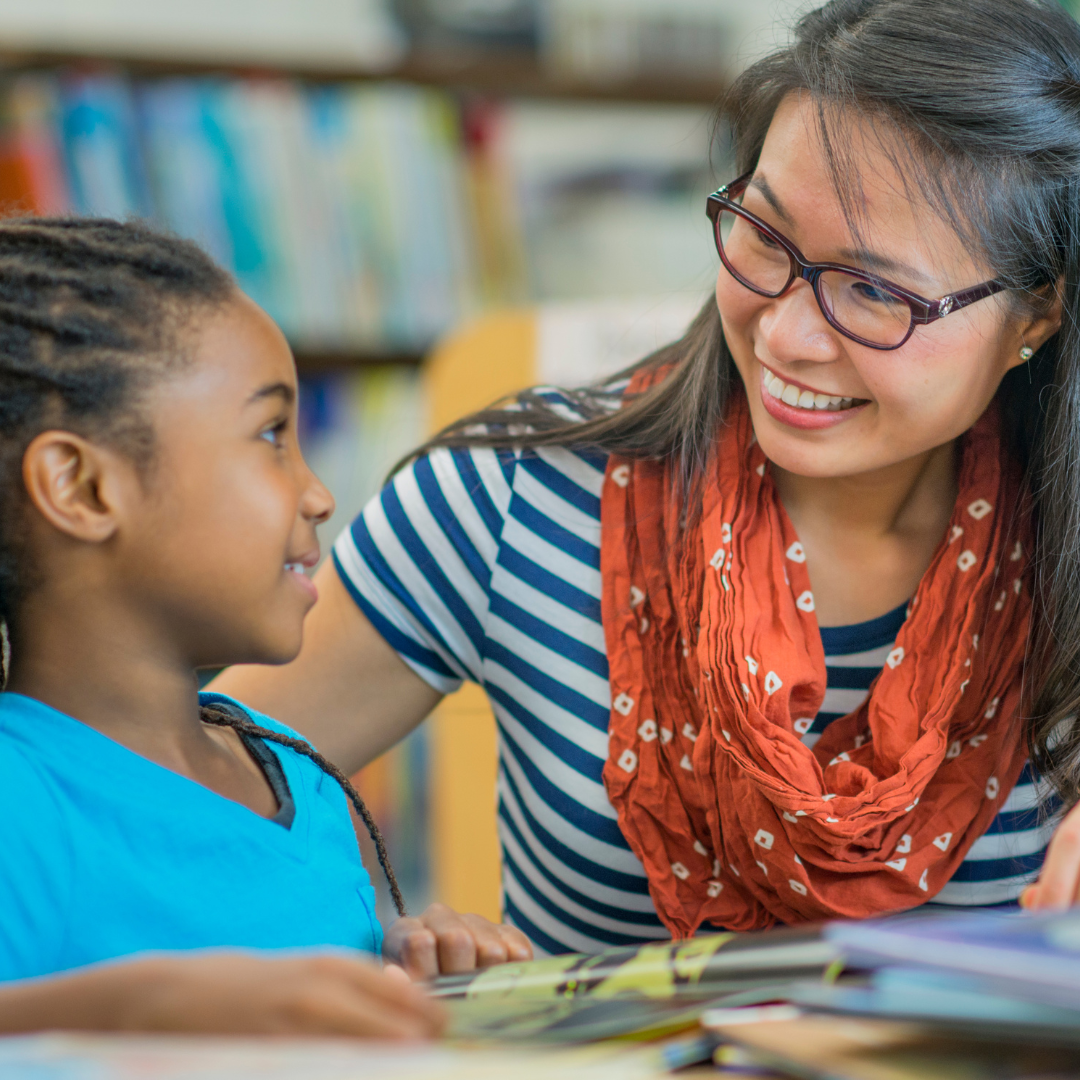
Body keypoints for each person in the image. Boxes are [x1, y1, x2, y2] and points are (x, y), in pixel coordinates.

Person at [215, 0, 1080, 953]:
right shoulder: (510, 502)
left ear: (1037, 315)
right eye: (764, 235)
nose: (786, 334)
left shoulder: (1063, 544)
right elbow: (157, 809)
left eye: (875, 290)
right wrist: (364, 941)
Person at [0, 218, 528, 1034]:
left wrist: (419, 982)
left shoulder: (297, 773)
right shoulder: (21, 799)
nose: (318, 495)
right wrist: (144, 1009)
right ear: (82, 489)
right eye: (272, 435)